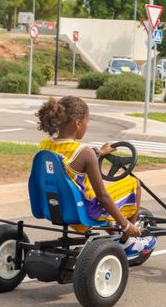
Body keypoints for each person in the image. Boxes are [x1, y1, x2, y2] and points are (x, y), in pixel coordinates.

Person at [35, 96, 155, 259]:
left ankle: (115, 237)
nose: (87, 126)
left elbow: (70, 159)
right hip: (82, 213)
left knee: (91, 194)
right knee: (134, 184)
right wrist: (126, 225)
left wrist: (99, 152)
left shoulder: (44, 146)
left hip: (55, 208)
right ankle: (127, 242)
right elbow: (103, 197)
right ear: (78, 123)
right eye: (87, 122)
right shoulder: (85, 153)